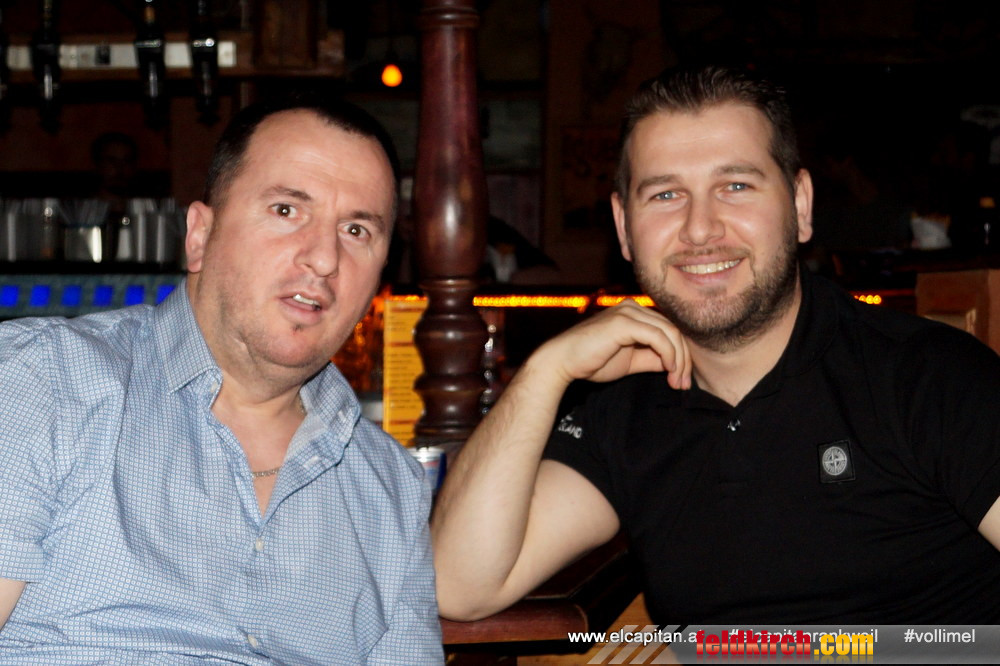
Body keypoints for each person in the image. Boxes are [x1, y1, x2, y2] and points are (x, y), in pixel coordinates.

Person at [432, 65, 1000, 624]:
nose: (700, 228)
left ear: (800, 205)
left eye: (735, 186)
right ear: (624, 228)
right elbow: (458, 586)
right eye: (665, 195)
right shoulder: (624, 410)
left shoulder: (928, 378)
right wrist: (544, 372)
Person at [0, 96, 443, 663]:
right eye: (286, 210)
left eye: (357, 230)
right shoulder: (44, 380)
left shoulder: (391, 485)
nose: (324, 258)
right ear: (199, 235)